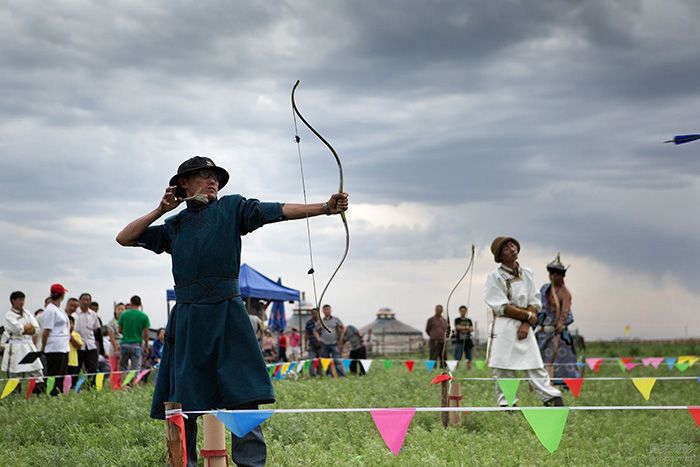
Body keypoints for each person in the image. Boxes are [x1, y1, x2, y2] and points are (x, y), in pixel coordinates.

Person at [116, 155, 349, 467]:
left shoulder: (231, 208)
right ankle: (184, 463)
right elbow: (124, 237)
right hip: (188, 320)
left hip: (228, 315)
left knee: (244, 393)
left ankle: (251, 463)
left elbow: (276, 211)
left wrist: (325, 207)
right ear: (183, 183)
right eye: (204, 175)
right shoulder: (174, 225)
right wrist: (161, 210)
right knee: (183, 400)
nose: (213, 180)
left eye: (215, 176)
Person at [484, 236, 563, 407]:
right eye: (506, 248)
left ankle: (551, 399)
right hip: (504, 326)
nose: (512, 249)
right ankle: (508, 405)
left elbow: (534, 301)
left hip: (525, 326)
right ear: (500, 255)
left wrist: (527, 324)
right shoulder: (494, 277)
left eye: (512, 245)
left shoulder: (527, 273)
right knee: (503, 368)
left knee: (534, 364)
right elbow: (501, 306)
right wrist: (527, 317)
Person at [536, 254, 580, 382]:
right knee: (539, 359)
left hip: (558, 334)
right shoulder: (544, 289)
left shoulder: (565, 293)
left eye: (557, 274)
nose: (553, 276)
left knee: (562, 360)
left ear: (562, 276)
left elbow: (565, 311)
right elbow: (537, 308)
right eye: (551, 273)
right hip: (543, 333)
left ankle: (563, 383)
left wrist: (560, 323)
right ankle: (542, 383)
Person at [2, 291, 43, 379]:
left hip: (29, 346)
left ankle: (38, 387)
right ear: (13, 300)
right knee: (16, 374)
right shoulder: (9, 315)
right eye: (20, 300)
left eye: (23, 300)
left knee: (37, 372)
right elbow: (18, 329)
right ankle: (16, 388)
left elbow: (37, 329)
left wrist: (27, 329)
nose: (22, 302)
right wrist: (27, 328)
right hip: (16, 347)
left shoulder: (27, 313)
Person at [41, 284, 70, 396]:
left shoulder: (58, 309)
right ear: (62, 296)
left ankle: (58, 393)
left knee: (61, 373)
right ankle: (51, 393)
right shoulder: (50, 310)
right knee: (54, 373)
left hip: (63, 346)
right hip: (54, 347)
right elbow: (46, 331)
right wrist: (43, 347)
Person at [118, 296, 150, 374]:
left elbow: (119, 330)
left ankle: (124, 382)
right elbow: (146, 333)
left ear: (131, 303)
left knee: (123, 368)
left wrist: (127, 333)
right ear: (140, 304)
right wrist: (146, 346)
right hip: (137, 344)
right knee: (135, 369)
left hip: (125, 344)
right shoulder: (144, 316)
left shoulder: (124, 315)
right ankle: (133, 381)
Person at [75, 293, 101, 384]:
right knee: (76, 369)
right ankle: (74, 387)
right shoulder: (75, 314)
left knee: (93, 369)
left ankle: (91, 387)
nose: (85, 302)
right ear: (79, 301)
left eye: (87, 300)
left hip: (91, 345)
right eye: (83, 300)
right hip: (78, 346)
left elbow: (96, 329)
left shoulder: (93, 314)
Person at [318, 304, 345, 377]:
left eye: (328, 309)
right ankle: (329, 374)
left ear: (330, 310)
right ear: (323, 311)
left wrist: (341, 338)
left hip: (334, 343)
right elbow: (315, 331)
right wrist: (319, 339)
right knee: (325, 361)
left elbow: (342, 327)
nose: (327, 311)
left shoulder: (336, 319)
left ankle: (341, 375)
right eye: (325, 310)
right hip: (324, 343)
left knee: (337, 360)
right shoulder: (321, 321)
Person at [107, 302, 125, 388]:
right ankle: (114, 385)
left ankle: (121, 384)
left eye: (122, 309)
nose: (120, 311)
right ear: (115, 310)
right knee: (114, 367)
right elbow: (112, 337)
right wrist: (116, 349)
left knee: (122, 367)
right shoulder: (111, 323)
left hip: (124, 345)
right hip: (115, 345)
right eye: (119, 309)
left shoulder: (126, 322)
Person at [305, 309, 321, 376]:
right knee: (312, 360)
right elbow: (306, 334)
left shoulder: (322, 322)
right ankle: (312, 375)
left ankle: (320, 374)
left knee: (320, 361)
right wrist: (305, 344)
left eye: (316, 313)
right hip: (312, 344)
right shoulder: (308, 323)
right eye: (313, 313)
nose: (315, 315)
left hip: (321, 345)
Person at [67, 316, 83, 384]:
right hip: (64, 362)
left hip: (73, 362)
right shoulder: (61, 335)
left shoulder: (76, 335)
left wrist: (70, 337)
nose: (69, 326)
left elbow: (79, 346)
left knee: (73, 381)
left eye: (70, 323)